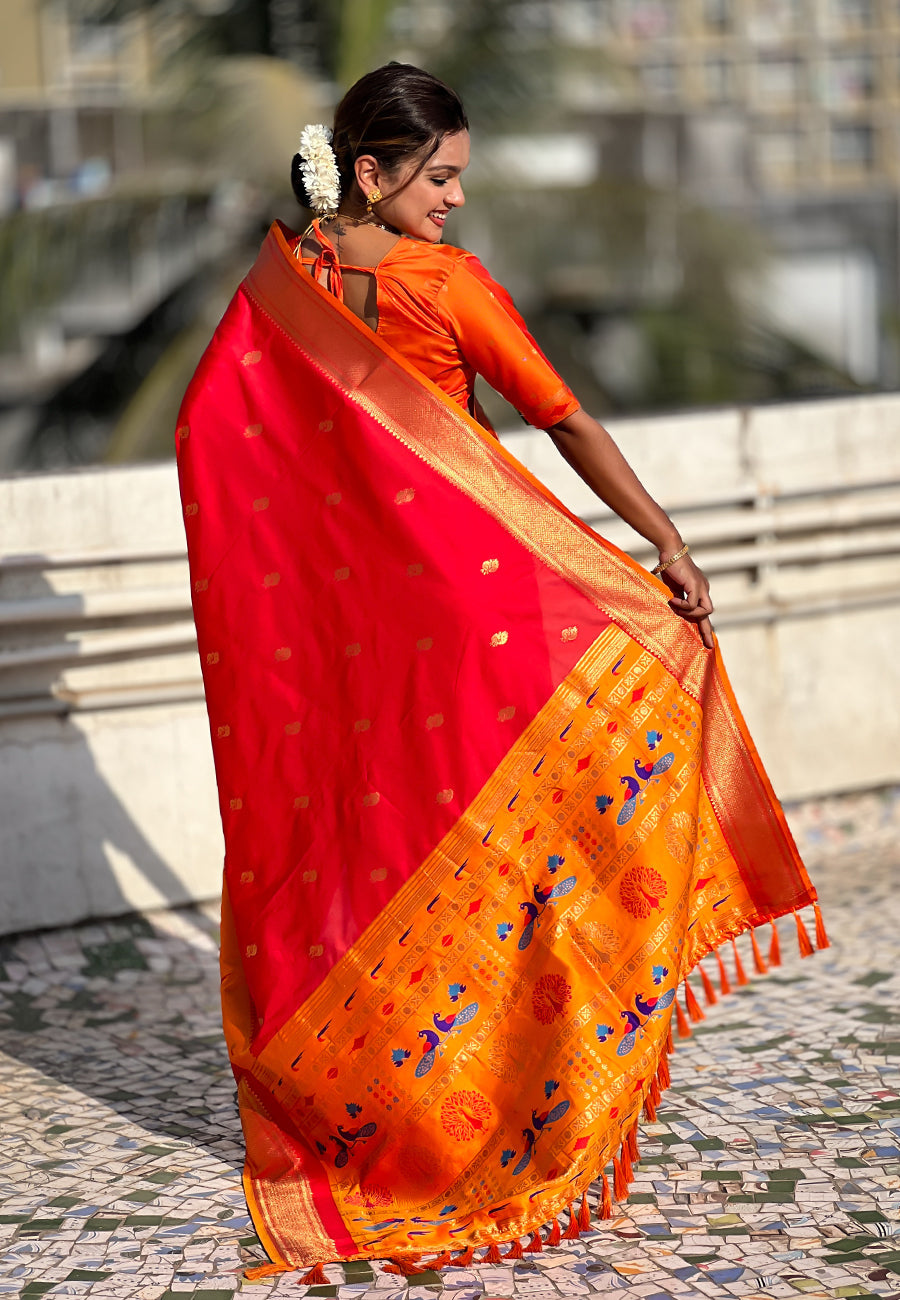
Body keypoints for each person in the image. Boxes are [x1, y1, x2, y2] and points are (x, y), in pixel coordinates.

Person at [176, 62, 824, 1284]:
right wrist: (665, 544)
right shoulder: (438, 284)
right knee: (537, 849)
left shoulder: (286, 281)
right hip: (486, 627)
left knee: (385, 864)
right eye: (442, 177)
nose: (459, 202)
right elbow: (562, 415)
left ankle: (394, 1108)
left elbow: (212, 425)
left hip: (359, 648)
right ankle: (535, 1100)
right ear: (370, 171)